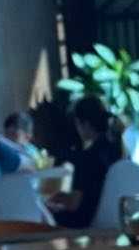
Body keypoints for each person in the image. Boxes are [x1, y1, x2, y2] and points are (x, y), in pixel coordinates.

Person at [48, 95, 124, 229]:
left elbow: (74, 203)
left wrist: (52, 198)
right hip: (117, 217)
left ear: (85, 124)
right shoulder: (118, 150)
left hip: (88, 222)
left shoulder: (87, 158)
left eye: (77, 124)